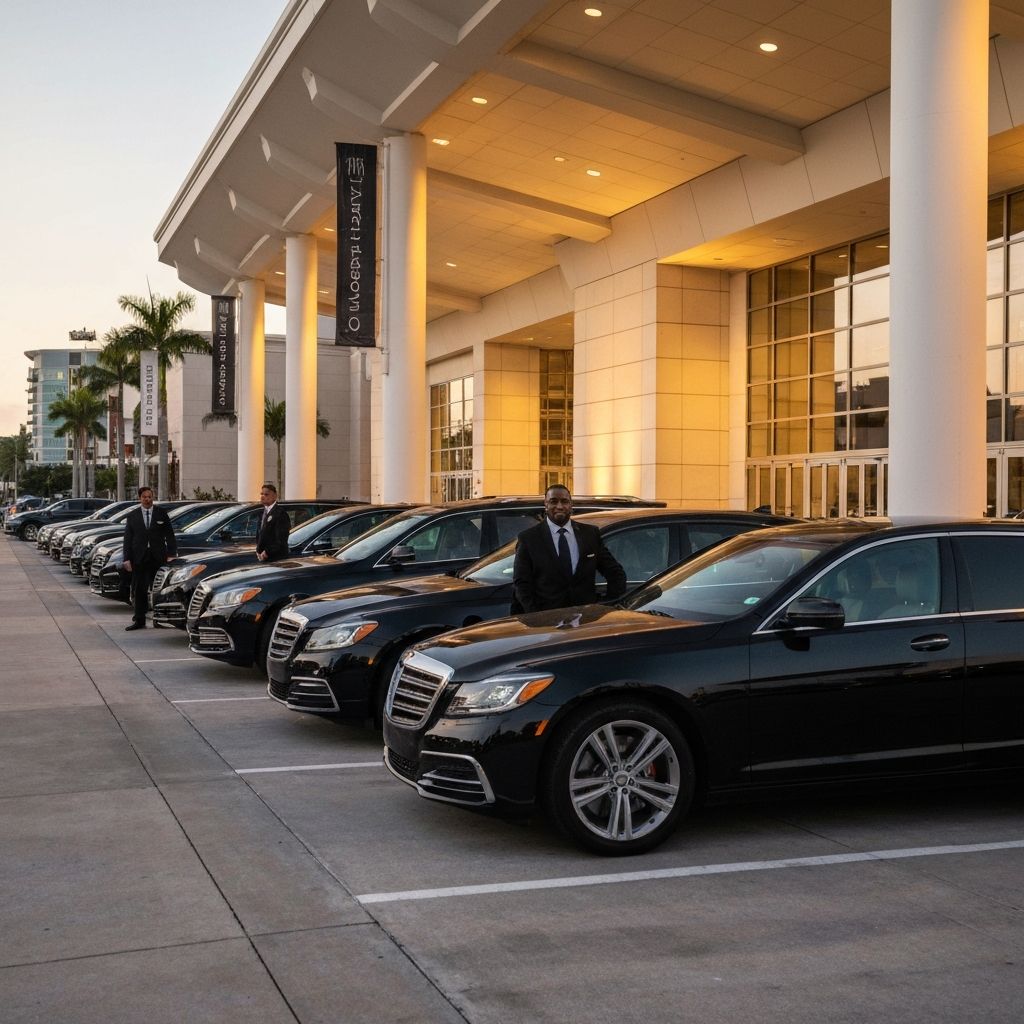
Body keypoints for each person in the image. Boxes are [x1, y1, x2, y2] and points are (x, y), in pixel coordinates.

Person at [512, 484, 627, 613]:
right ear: (545, 505)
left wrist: (606, 606)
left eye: (564, 501)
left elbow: (615, 573)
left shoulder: (590, 534)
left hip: (585, 620)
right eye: (553, 501)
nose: (559, 506)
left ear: (571, 505)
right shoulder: (529, 539)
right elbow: (521, 583)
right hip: (547, 622)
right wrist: (536, 615)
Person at [122, 486, 177, 630]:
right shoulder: (133, 515)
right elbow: (128, 538)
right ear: (140, 498)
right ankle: (139, 620)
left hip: (158, 557)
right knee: (140, 590)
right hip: (139, 558)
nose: (147, 499)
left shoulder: (161, 513)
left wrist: (171, 554)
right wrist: (126, 558)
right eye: (144, 497)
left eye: (150, 496)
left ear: (153, 497)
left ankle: (161, 619)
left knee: (160, 589)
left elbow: (169, 535)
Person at [256, 482, 291, 561]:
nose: (262, 496)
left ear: (275, 496)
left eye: (266, 494)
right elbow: (259, 533)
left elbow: (281, 539)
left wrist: (267, 551)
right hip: (263, 557)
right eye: (261, 494)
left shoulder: (280, 513)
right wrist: (258, 550)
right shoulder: (262, 512)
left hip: (276, 558)